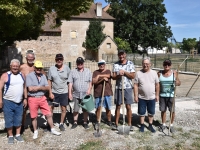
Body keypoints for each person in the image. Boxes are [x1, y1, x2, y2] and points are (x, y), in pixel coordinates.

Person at [26, 60, 61, 139]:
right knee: (34, 116)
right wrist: (42, 87)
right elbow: (30, 89)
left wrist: (38, 87)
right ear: (34, 68)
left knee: (48, 114)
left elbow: (47, 87)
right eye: (37, 68)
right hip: (33, 98)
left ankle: (52, 129)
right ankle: (35, 131)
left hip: (42, 98)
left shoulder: (43, 76)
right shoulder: (29, 76)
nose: (39, 69)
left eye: (40, 68)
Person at [0, 59, 27, 144]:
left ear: (19, 67)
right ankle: (11, 136)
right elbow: (0, 89)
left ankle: (18, 135)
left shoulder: (22, 75)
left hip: (19, 102)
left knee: (18, 119)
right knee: (9, 119)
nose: (15, 67)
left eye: (17, 66)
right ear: (10, 66)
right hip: (8, 101)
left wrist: (25, 98)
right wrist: (0, 100)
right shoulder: (5, 75)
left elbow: (24, 87)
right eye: (13, 66)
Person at [134, 57, 159, 133]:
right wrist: (135, 96)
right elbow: (135, 85)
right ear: (142, 64)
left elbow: (157, 85)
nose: (145, 65)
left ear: (150, 64)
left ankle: (150, 125)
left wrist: (157, 95)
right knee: (141, 113)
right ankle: (142, 125)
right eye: (144, 64)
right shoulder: (138, 73)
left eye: (147, 64)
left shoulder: (154, 73)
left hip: (151, 97)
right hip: (141, 97)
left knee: (151, 112)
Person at [112, 50, 135, 131]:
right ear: (118, 55)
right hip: (119, 88)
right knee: (118, 106)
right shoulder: (115, 64)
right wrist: (118, 74)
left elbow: (132, 76)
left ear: (125, 55)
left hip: (128, 87)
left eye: (123, 54)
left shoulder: (130, 63)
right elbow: (113, 77)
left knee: (128, 106)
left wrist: (125, 72)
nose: (121, 56)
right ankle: (116, 124)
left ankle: (129, 124)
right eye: (120, 55)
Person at [47, 53, 71, 131]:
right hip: (54, 92)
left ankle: (61, 123)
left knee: (63, 108)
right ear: (55, 60)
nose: (59, 60)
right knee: (50, 108)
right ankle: (50, 124)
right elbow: (49, 81)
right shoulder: (51, 69)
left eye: (60, 59)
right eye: (58, 59)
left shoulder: (67, 68)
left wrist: (69, 92)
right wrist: (50, 92)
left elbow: (69, 81)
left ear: (63, 59)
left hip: (64, 92)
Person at [68, 57, 92, 130]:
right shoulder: (72, 72)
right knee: (75, 109)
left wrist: (89, 90)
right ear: (76, 63)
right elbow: (70, 83)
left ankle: (85, 122)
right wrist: (70, 93)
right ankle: (75, 122)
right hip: (76, 94)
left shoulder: (88, 71)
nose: (80, 64)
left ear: (83, 63)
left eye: (81, 63)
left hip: (85, 94)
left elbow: (90, 82)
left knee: (85, 109)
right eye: (78, 63)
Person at [158, 59, 181, 133]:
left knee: (172, 111)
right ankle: (163, 124)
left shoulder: (174, 73)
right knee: (163, 110)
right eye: (165, 64)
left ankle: (171, 125)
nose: (166, 66)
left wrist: (176, 78)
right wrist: (156, 94)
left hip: (171, 95)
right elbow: (157, 84)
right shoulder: (159, 73)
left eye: (168, 64)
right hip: (162, 95)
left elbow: (179, 83)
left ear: (170, 65)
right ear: (163, 65)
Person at [92, 60, 113, 126]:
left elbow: (109, 75)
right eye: (100, 64)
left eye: (102, 64)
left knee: (108, 108)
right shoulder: (95, 72)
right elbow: (94, 82)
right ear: (98, 65)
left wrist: (99, 76)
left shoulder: (108, 71)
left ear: (105, 64)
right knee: (98, 107)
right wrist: (101, 79)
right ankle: (98, 121)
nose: (101, 65)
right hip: (98, 93)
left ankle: (109, 120)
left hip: (107, 93)